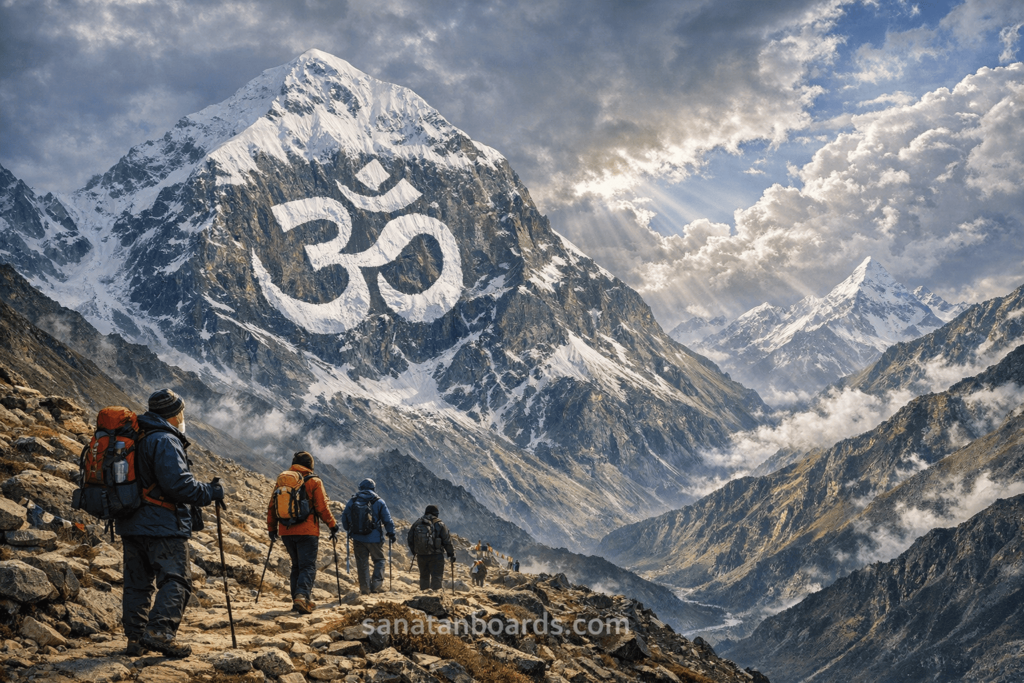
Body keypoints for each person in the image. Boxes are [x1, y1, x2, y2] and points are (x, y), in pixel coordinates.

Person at [118, 389, 224, 659]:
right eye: (181, 412)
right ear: (174, 414)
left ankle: (136, 639)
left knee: (137, 583)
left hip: (130, 521)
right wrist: (210, 492)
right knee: (176, 579)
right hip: (161, 523)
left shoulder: (136, 436)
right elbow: (180, 486)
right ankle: (160, 632)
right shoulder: (165, 439)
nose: (182, 417)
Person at [266, 451, 338, 614]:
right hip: (308, 531)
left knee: (296, 566)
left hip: (286, 531)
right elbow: (322, 507)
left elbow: (272, 506)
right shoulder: (314, 481)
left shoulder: (283, 481)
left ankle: (297, 600)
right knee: (307, 566)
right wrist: (332, 525)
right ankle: (302, 596)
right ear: (310, 465)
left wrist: (272, 529)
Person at [341, 479, 395, 594]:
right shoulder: (379, 501)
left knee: (362, 563)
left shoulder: (353, 500)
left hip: (358, 538)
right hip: (375, 538)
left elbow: (344, 516)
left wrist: (350, 530)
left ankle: (364, 588)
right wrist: (391, 533)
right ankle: (376, 585)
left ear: (360, 488)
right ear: (373, 488)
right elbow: (387, 520)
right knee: (379, 560)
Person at [407, 504, 456, 590]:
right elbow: (447, 541)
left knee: (424, 577)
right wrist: (451, 554)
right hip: (436, 556)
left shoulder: (417, 523)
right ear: (436, 513)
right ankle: (435, 598)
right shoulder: (440, 524)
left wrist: (414, 551)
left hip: (421, 556)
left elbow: (410, 539)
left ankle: (423, 597)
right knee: (436, 576)